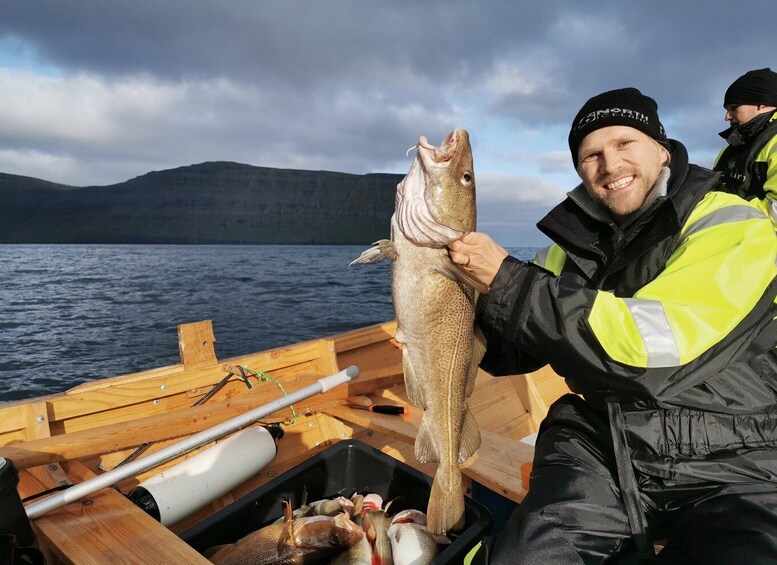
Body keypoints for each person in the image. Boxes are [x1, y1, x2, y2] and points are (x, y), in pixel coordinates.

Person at [451, 88, 777, 563]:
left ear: (661, 149)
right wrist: (459, 307)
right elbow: (515, 346)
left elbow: (654, 353)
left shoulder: (733, 222)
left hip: (738, 455)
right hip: (599, 444)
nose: (609, 164)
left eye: (625, 143)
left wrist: (506, 280)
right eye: (591, 154)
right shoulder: (569, 246)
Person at [713, 67, 777, 226]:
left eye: (734, 107)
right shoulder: (731, 148)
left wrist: (719, 212)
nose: (727, 116)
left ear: (761, 104)